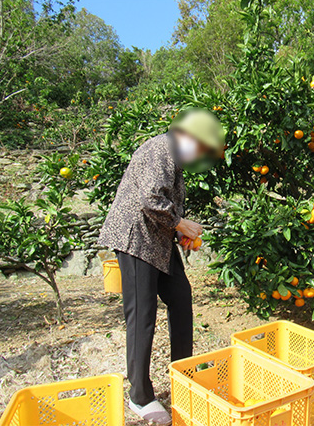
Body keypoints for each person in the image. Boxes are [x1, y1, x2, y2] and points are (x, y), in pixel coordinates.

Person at [99, 109, 225, 425]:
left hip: (157, 238)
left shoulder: (173, 157)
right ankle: (139, 396)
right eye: (202, 147)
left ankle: (183, 376)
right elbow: (151, 198)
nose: (201, 155)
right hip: (136, 237)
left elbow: (164, 203)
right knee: (142, 314)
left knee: (181, 298)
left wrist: (177, 230)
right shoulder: (161, 148)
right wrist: (180, 223)